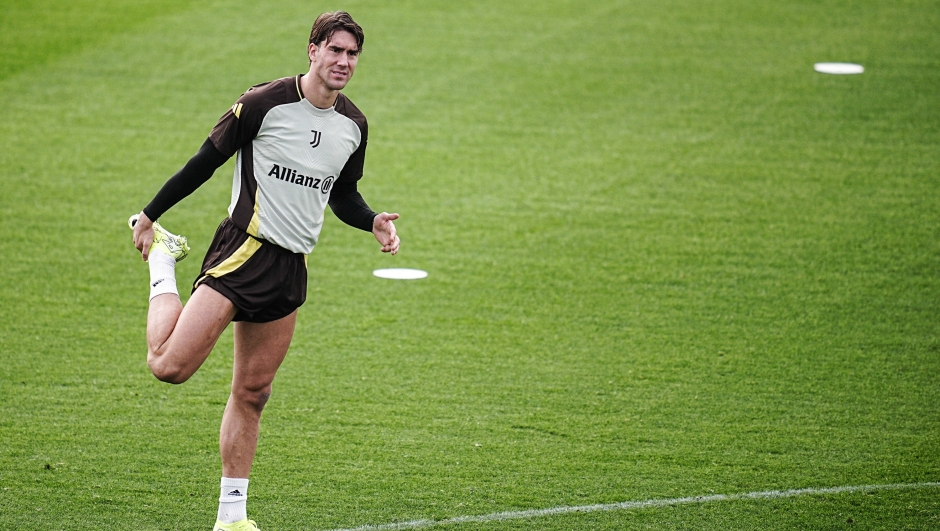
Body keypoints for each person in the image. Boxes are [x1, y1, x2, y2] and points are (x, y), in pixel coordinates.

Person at [129, 12, 399, 531]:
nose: (344, 62)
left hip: (290, 267)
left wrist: (373, 223)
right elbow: (203, 162)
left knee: (254, 392)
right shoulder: (262, 104)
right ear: (313, 50)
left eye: (353, 54)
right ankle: (164, 262)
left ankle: (232, 518)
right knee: (169, 367)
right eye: (335, 50)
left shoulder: (353, 126)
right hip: (242, 251)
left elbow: (342, 195)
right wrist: (150, 216)